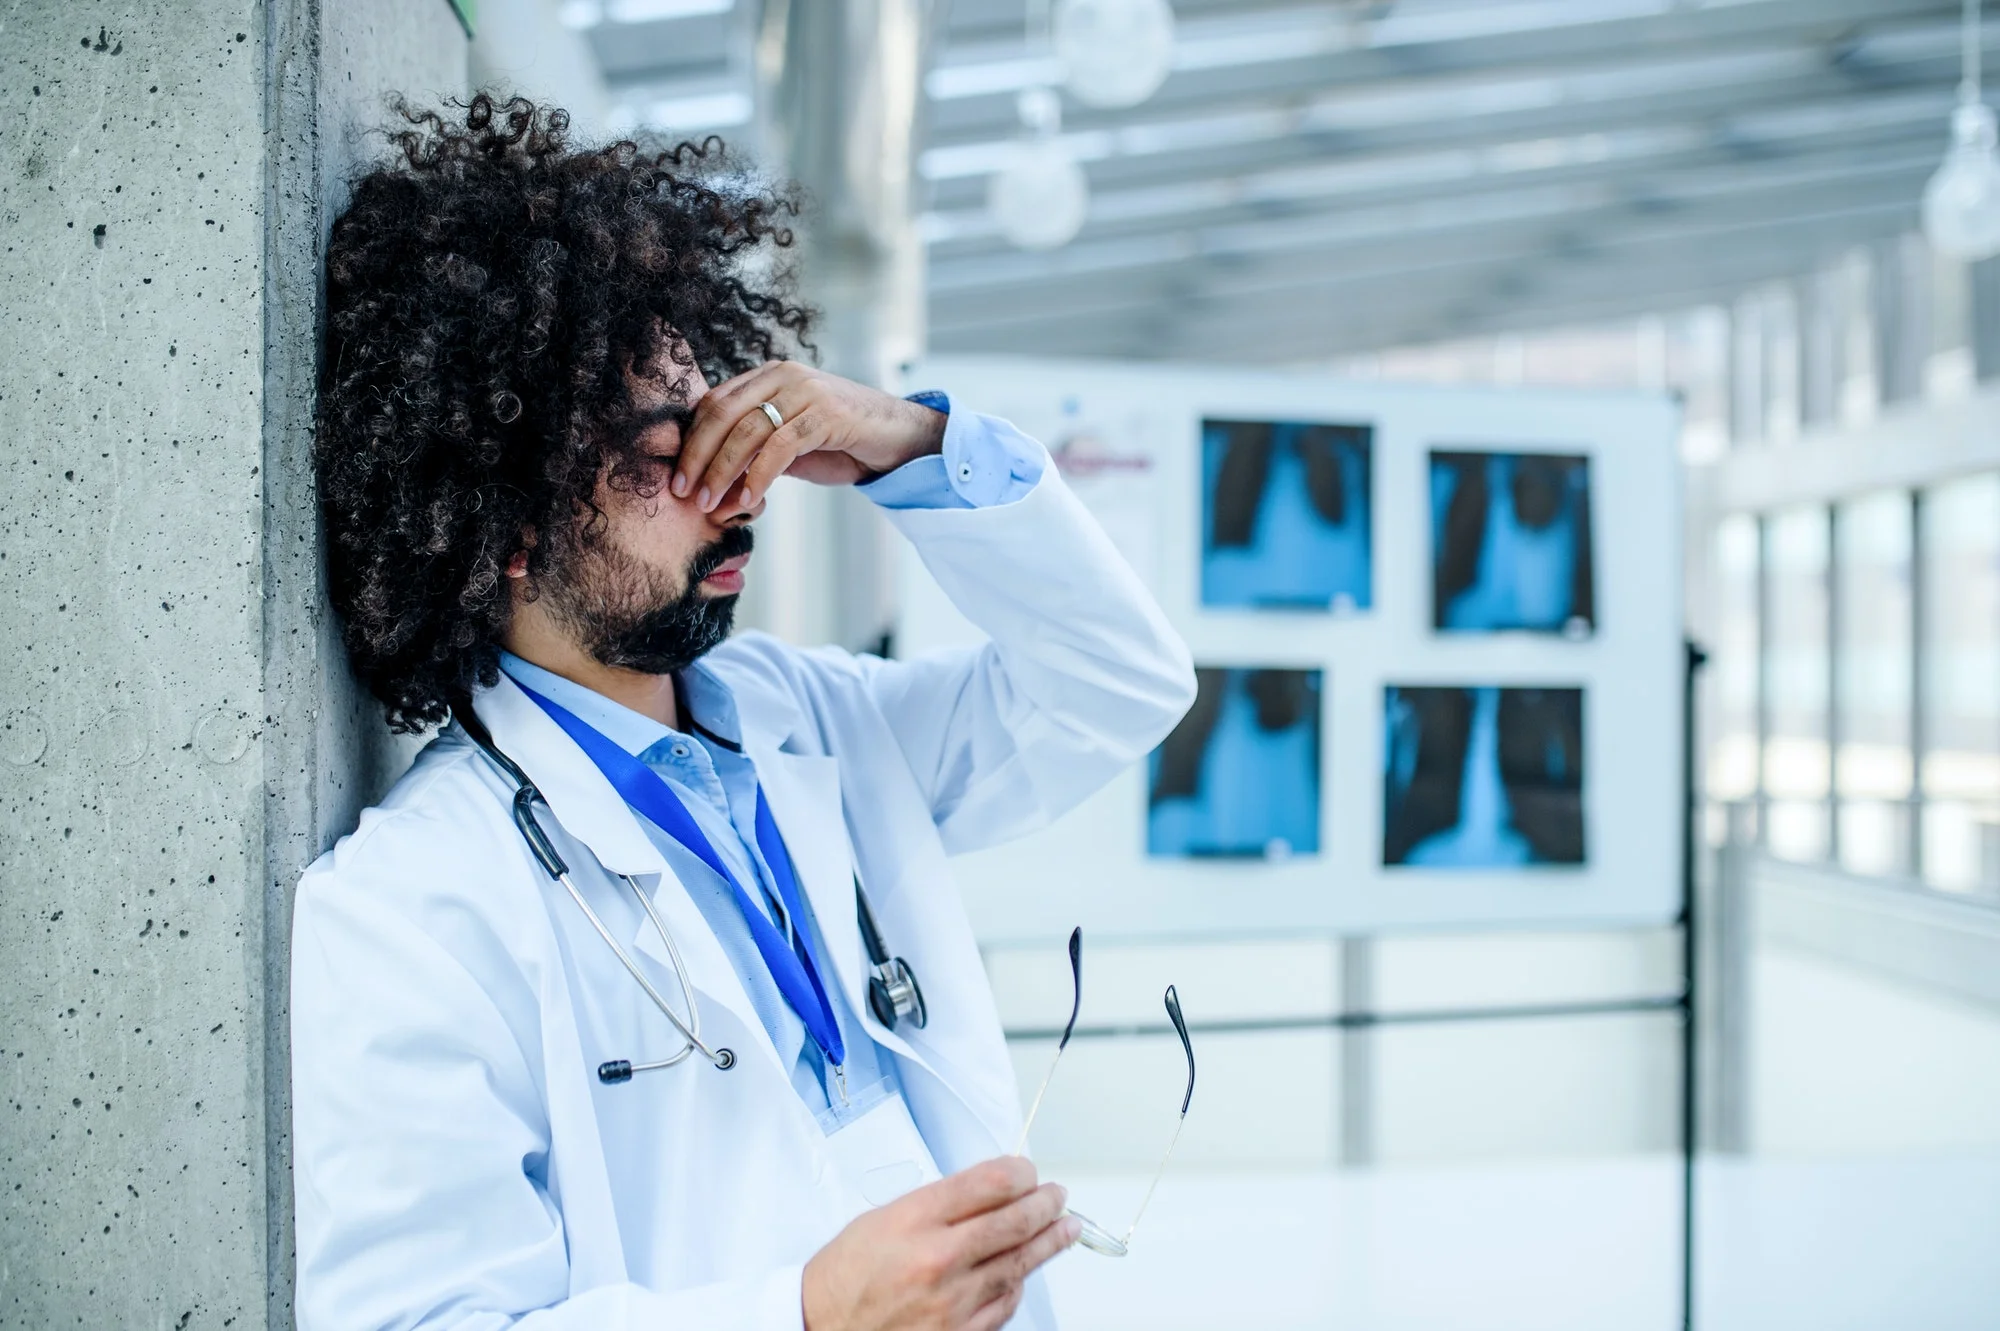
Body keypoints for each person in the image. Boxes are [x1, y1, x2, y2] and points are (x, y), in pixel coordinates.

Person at [289, 95, 1195, 1331]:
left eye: (725, 432)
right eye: (663, 456)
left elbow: (1117, 681)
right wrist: (802, 1314)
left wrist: (909, 442)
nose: (739, 494)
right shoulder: (415, 901)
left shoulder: (808, 719)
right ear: (509, 523)